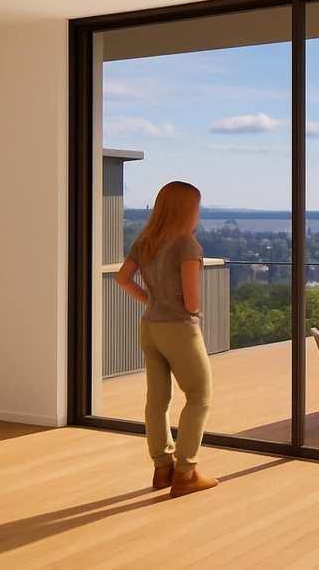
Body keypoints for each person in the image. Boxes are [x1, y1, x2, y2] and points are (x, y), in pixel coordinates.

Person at [115, 181, 218, 497]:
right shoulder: (187, 245)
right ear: (188, 209)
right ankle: (186, 473)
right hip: (178, 329)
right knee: (200, 396)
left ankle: (162, 468)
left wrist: (153, 301)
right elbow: (192, 302)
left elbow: (122, 278)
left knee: (157, 400)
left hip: (150, 327)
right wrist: (190, 308)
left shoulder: (146, 240)